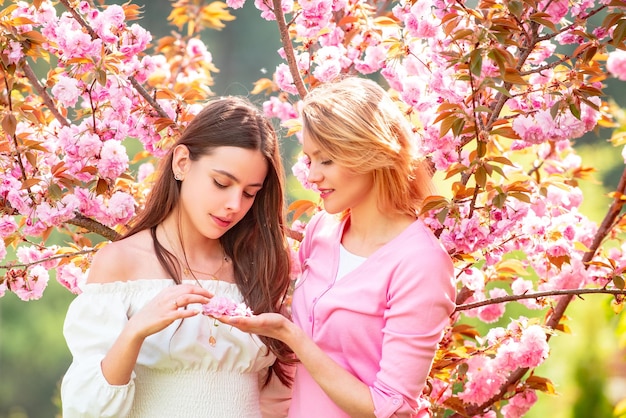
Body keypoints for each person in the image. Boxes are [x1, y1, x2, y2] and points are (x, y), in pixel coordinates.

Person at [219, 77, 457, 417]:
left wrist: (293, 337)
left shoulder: (421, 264)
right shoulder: (322, 232)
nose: (312, 175)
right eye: (310, 160)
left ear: (370, 153)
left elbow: (389, 407)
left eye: (326, 160)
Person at [60, 96, 294, 418]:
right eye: (221, 183)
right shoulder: (122, 263)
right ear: (182, 163)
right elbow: (86, 408)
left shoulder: (259, 267)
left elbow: (279, 397)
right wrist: (135, 331)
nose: (234, 204)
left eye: (250, 193)